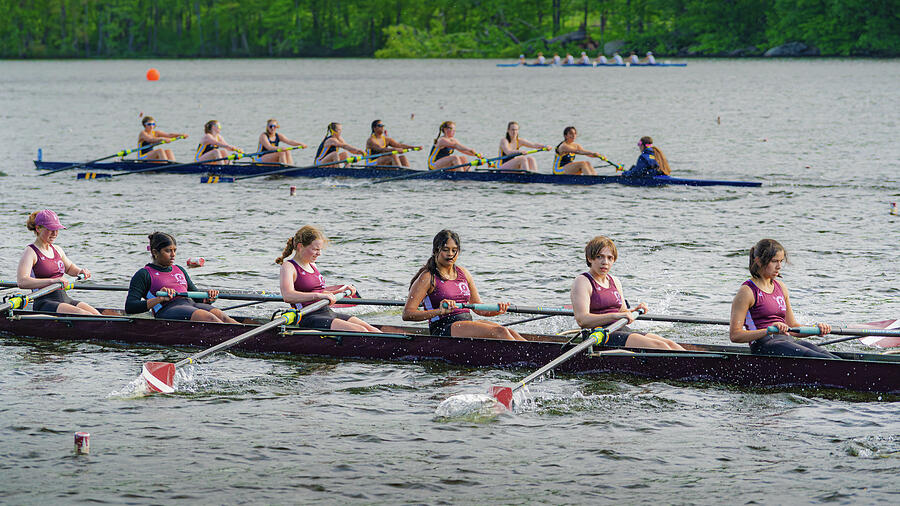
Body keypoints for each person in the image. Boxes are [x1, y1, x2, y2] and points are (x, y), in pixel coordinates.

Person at [403, 230, 525, 341]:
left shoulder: (463, 273)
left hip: (465, 324)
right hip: (443, 328)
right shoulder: (427, 277)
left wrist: (497, 310)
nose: (450, 254)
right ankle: (526, 360)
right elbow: (407, 314)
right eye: (445, 250)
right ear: (436, 251)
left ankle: (533, 357)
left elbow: (478, 308)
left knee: (510, 332)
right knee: (500, 332)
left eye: (454, 250)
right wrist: (439, 311)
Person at [729, 239, 839, 358]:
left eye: (781, 261)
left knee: (834, 359)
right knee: (822, 359)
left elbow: (792, 327)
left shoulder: (781, 287)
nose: (779, 266)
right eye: (774, 261)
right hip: (764, 345)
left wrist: (816, 329)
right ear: (759, 262)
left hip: (786, 341)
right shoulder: (747, 291)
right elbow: (735, 335)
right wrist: (768, 330)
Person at [571, 236, 684, 350]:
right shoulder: (582, 281)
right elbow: (582, 320)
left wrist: (634, 311)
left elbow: (622, 312)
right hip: (598, 335)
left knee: (671, 345)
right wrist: (615, 316)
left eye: (609, 258)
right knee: (660, 346)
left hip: (619, 329)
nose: (605, 262)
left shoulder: (615, 281)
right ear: (590, 258)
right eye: (600, 257)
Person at [276, 226, 380, 332]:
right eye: (315, 249)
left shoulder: (312, 265)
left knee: (372, 330)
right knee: (361, 330)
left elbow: (319, 292)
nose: (319, 253)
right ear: (300, 247)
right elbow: (287, 295)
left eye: (320, 250)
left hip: (326, 311)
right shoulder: (288, 266)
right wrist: (319, 295)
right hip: (307, 316)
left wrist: (338, 291)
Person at [125, 232, 236, 323]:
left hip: (191, 304)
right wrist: (158, 299)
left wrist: (209, 298)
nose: (173, 254)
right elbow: (130, 307)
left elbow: (197, 297)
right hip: (167, 309)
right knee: (209, 318)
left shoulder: (179, 270)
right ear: (155, 252)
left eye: (174, 250)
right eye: (168, 251)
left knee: (222, 316)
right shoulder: (143, 274)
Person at [16, 210, 99, 315]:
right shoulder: (30, 252)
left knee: (98, 316)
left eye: (56, 229)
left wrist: (80, 271)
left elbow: (69, 268)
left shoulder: (57, 249)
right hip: (44, 303)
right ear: (38, 228)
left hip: (65, 299)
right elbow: (22, 282)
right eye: (50, 229)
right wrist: (52, 281)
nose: (55, 233)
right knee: (85, 315)